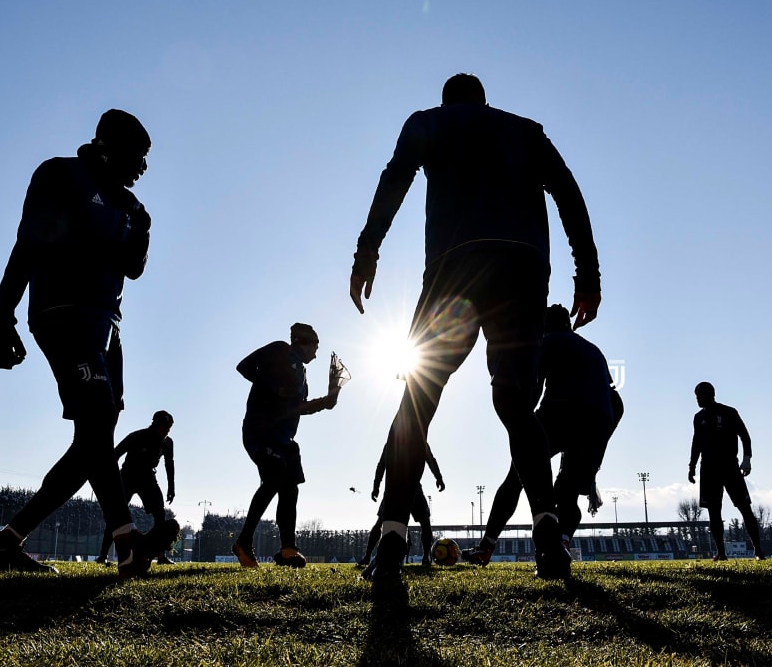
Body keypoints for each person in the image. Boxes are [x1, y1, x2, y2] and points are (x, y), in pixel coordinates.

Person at [349, 73, 601, 583]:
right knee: (514, 404)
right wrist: (588, 273)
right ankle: (549, 534)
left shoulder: (427, 123)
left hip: (455, 264)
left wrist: (366, 250)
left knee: (419, 398)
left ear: (446, 101)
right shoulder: (526, 129)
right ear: (485, 100)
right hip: (522, 267)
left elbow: (393, 179)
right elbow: (570, 193)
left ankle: (393, 540)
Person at [0, 109, 177, 578]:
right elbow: (27, 244)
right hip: (61, 314)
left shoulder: (131, 207)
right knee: (94, 425)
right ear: (107, 145)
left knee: (94, 438)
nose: (144, 168)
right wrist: (1, 316)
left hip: (108, 326)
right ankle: (127, 543)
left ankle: (6, 543)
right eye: (138, 156)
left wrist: (141, 231)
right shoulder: (60, 174)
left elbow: (133, 268)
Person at [463, 304, 623, 565]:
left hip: (562, 410)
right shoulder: (594, 350)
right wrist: (599, 442)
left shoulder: (546, 341)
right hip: (598, 421)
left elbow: (531, 388)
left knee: (517, 476)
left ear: (545, 325)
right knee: (568, 490)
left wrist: (524, 427)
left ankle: (487, 546)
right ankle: (561, 543)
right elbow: (616, 400)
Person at [231, 323, 341, 568]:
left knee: (290, 488)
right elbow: (244, 367)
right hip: (261, 431)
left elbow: (297, 408)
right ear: (303, 341)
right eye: (315, 346)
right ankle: (243, 542)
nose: (316, 352)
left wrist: (327, 401)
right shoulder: (280, 350)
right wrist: (274, 387)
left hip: (284, 439)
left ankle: (287, 549)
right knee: (274, 477)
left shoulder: (302, 374)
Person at [689, 381, 766, 561]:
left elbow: (745, 435)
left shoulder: (729, 412)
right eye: (696, 396)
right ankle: (721, 554)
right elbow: (696, 443)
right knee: (714, 511)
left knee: (745, 508)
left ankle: (758, 551)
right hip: (708, 469)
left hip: (729, 466)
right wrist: (691, 466)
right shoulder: (698, 417)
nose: (697, 399)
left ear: (710, 394)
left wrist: (747, 458)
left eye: (700, 395)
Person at [96, 410, 177, 565]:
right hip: (128, 476)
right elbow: (115, 454)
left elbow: (169, 464)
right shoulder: (137, 436)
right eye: (164, 427)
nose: (166, 431)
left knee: (160, 513)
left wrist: (171, 488)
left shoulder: (167, 443)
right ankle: (102, 556)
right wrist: (109, 479)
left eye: (169, 428)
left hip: (148, 478)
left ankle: (160, 555)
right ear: (155, 425)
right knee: (116, 515)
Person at [359, 441, 445, 568]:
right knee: (382, 522)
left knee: (424, 521)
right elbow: (382, 464)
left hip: (409, 487)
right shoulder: (394, 443)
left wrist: (439, 477)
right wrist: (376, 486)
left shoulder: (418, 441)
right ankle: (367, 556)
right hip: (397, 488)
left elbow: (430, 459)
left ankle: (426, 557)